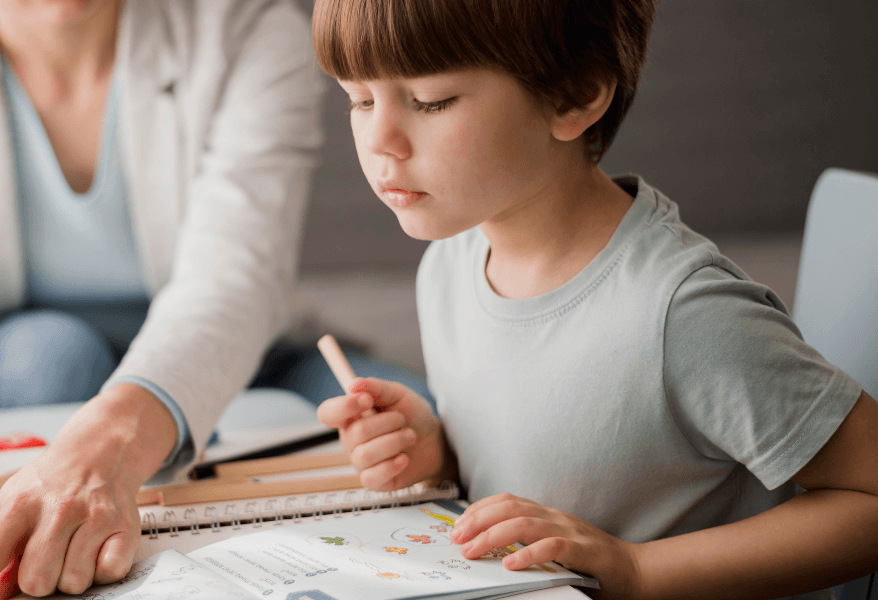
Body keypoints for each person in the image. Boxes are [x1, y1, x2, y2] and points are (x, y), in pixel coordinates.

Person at [0, 0, 428, 598]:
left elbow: (234, 286)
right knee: (55, 356)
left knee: (417, 424)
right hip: (14, 349)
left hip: (235, 349)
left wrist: (113, 439)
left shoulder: (251, 28)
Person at [310, 1, 878, 599]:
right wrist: (440, 454)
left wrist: (638, 569)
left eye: (431, 101)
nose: (380, 141)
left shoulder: (684, 315)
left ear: (573, 96)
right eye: (360, 100)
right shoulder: (448, 265)